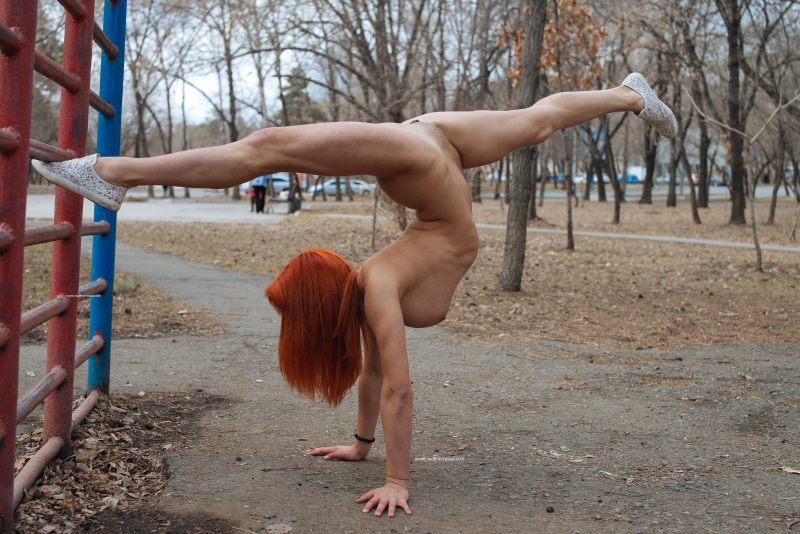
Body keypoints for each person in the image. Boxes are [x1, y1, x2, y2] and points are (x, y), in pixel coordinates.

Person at [32, 73, 676, 519]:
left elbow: (399, 387)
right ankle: (628, 95)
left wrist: (397, 480)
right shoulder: (374, 283)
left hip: (421, 155)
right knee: (537, 123)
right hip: (433, 143)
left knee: (270, 147)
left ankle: (112, 174)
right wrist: (362, 445)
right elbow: (373, 373)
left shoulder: (378, 284)